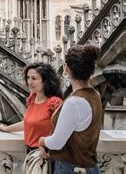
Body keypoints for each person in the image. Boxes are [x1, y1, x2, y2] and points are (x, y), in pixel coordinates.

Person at [39, 45, 102, 174]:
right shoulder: (95, 95)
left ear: (66, 68)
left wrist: (42, 140)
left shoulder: (74, 103)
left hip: (71, 168)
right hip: (89, 167)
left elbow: (57, 142)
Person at [0, 63, 63, 153]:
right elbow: (28, 123)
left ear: (45, 81)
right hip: (30, 152)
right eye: (28, 77)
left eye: (34, 78)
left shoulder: (54, 103)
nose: (29, 82)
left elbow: (61, 131)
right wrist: (6, 129)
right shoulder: (32, 98)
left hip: (46, 154)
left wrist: (45, 146)